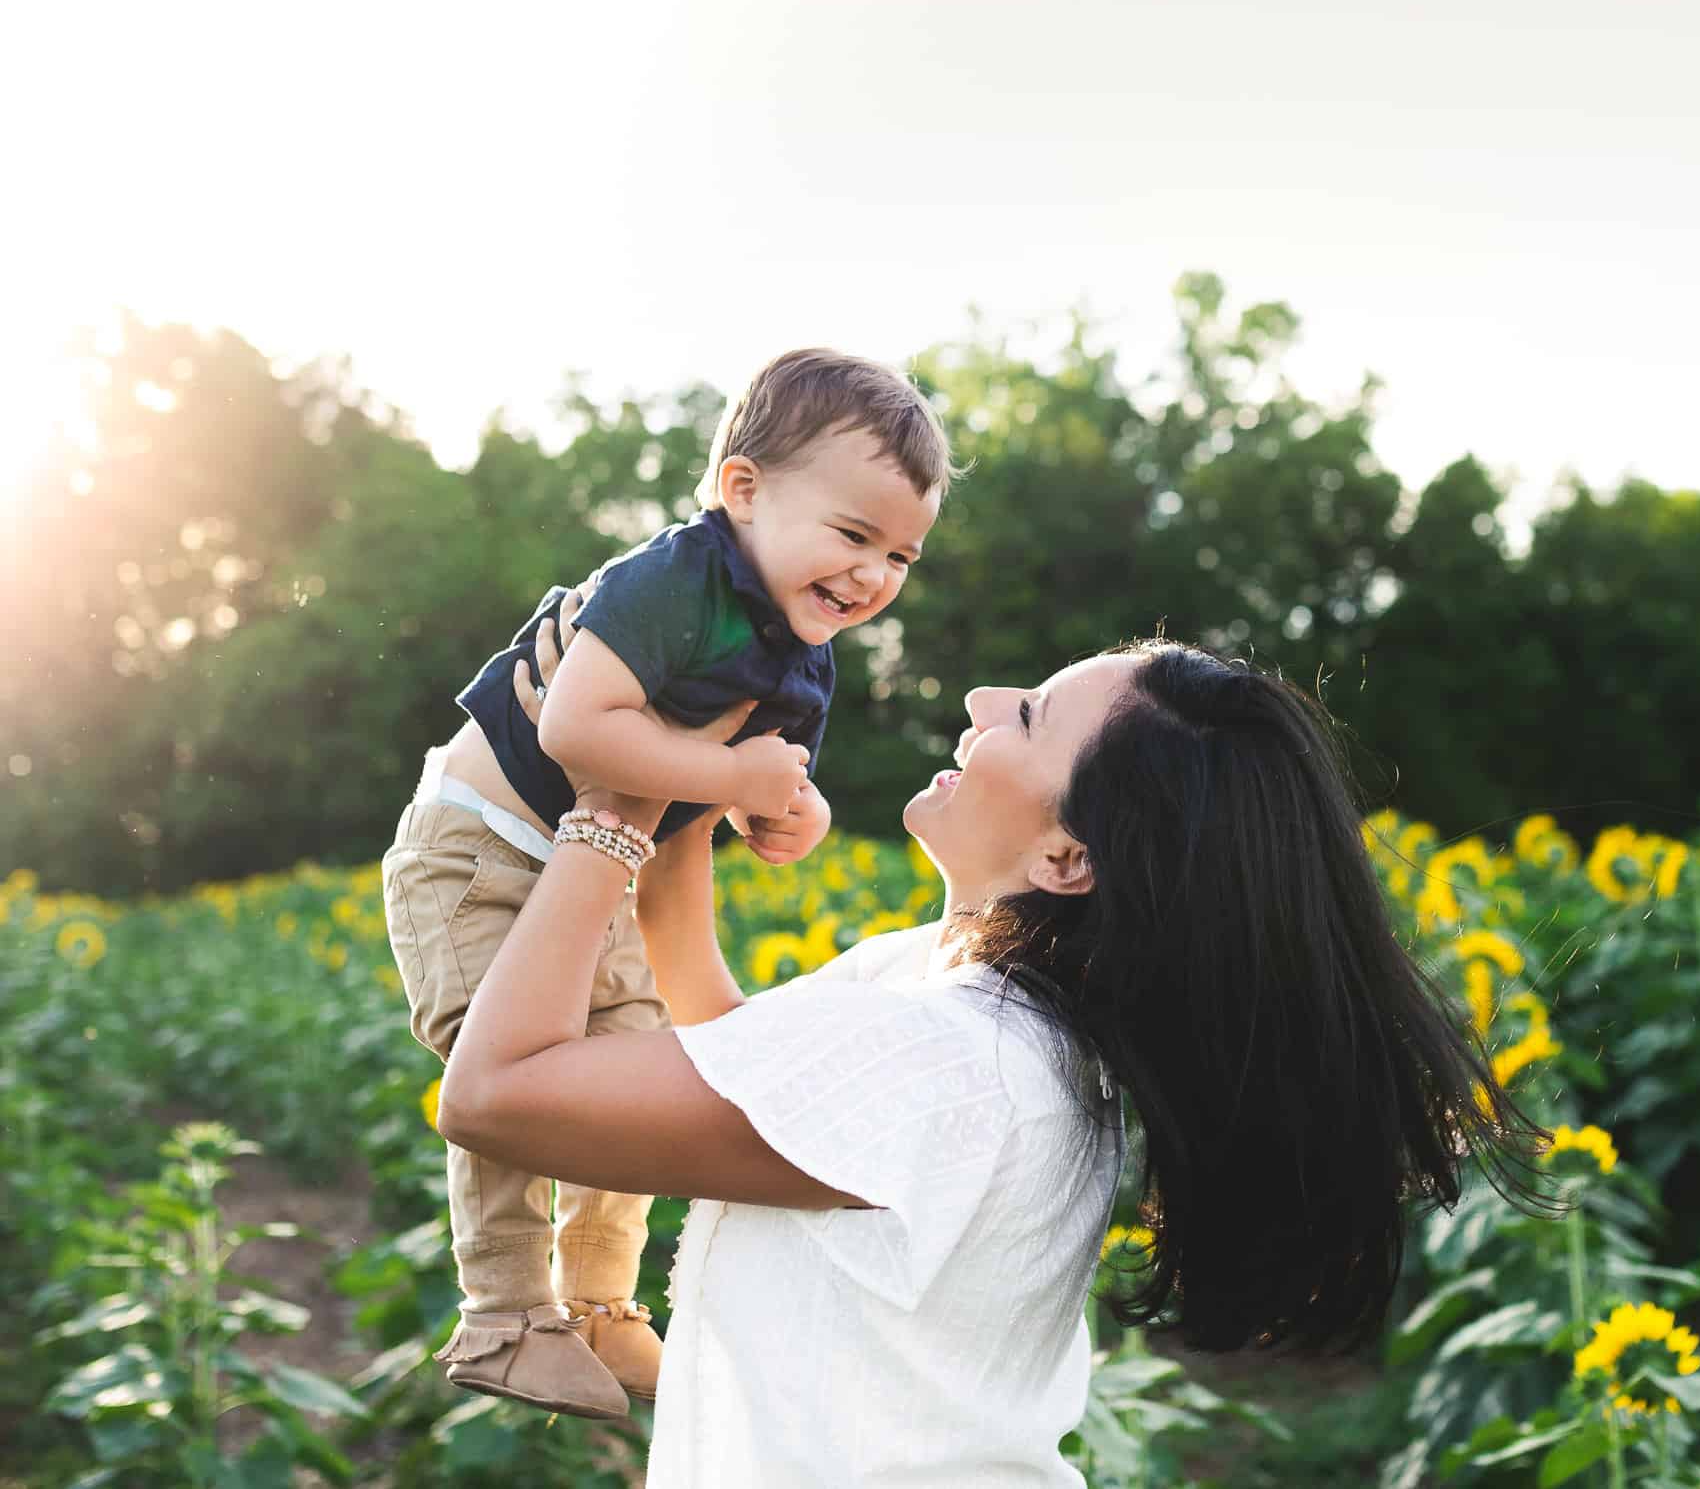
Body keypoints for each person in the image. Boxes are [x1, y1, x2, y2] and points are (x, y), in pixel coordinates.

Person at [435, 623, 1553, 1484]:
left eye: (1025, 716)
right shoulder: (959, 996)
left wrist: (610, 802)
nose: (977, 701)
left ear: (1068, 855)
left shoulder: (947, 1061)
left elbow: (494, 1097)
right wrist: (682, 817)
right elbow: (740, 1068)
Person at [380, 348, 953, 1419]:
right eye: (853, 534)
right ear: (743, 490)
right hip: (478, 851)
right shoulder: (675, 581)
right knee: (506, 1076)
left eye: (902, 557)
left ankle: (599, 1301)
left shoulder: (802, 650)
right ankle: (504, 1315)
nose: (874, 575)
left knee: (625, 1073)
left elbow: (719, 804)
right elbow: (576, 726)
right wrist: (734, 773)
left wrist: (788, 809)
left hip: (596, 874)